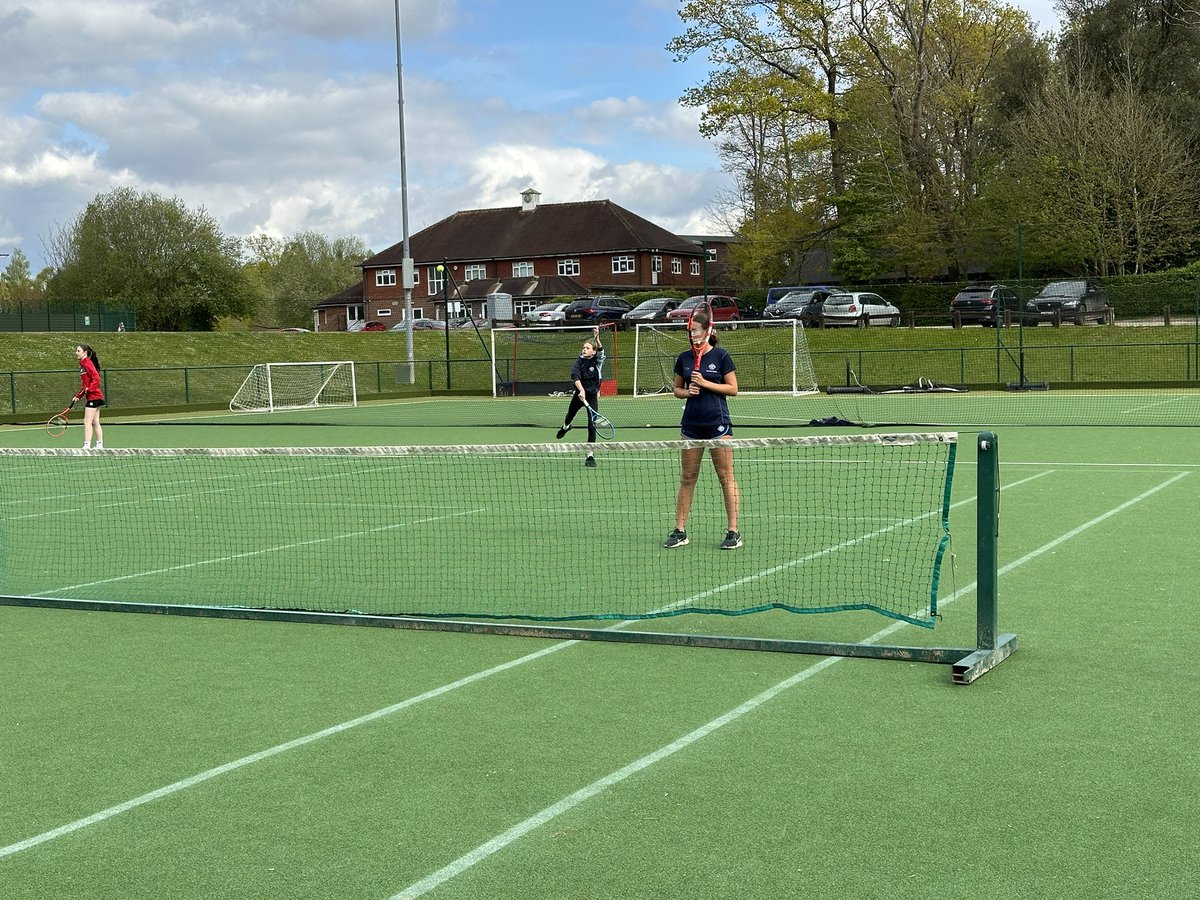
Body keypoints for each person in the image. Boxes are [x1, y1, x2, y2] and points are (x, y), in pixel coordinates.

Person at [663, 310, 741, 549]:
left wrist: (706, 383)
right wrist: (688, 392)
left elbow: (733, 389)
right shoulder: (684, 359)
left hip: (718, 426)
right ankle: (680, 530)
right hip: (691, 427)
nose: (692, 334)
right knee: (687, 477)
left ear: (707, 331)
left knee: (725, 477)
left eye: (696, 330)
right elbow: (677, 389)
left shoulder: (721, 356)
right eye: (690, 331)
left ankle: (733, 532)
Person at [554, 326, 604, 467]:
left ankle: (590, 455)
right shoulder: (578, 362)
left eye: (588, 348)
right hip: (579, 395)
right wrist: (581, 391)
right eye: (584, 347)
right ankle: (565, 427)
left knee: (591, 426)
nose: (584, 350)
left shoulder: (597, 362)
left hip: (592, 398)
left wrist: (596, 339)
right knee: (570, 415)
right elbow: (576, 377)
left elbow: (601, 351)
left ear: (593, 352)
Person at [73, 344, 105, 449]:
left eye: (78, 351)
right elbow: (85, 386)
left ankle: (86, 445)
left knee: (87, 421)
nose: (76, 353)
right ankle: (99, 445)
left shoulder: (87, 364)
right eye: (76, 351)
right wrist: (78, 396)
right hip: (95, 396)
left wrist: (90, 389)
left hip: (94, 397)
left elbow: (96, 378)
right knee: (95, 421)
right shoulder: (83, 366)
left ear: (85, 353)